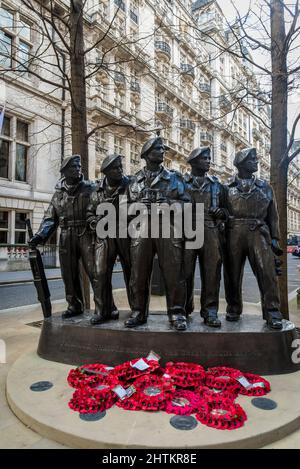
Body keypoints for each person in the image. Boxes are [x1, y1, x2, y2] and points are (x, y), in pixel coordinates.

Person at [125, 136, 189, 331]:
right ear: (146, 154)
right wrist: (136, 207)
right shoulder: (134, 181)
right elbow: (124, 209)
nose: (163, 152)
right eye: (158, 149)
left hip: (167, 228)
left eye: (162, 149)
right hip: (141, 229)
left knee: (173, 272)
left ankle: (176, 312)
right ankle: (138, 311)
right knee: (138, 272)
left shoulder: (175, 178)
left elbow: (187, 204)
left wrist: (167, 204)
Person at [28, 155, 97, 319]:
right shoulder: (58, 194)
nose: (78, 169)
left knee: (95, 271)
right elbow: (50, 218)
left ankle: (104, 306)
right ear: (65, 171)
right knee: (69, 273)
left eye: (79, 166)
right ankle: (74, 305)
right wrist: (39, 236)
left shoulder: (91, 188)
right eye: (74, 166)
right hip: (66, 235)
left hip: (86, 233)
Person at [224, 147, 283, 329]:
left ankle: (272, 311)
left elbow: (273, 216)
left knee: (267, 273)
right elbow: (221, 212)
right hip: (234, 232)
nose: (257, 162)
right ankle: (233, 308)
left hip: (258, 231)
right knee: (232, 273)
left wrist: (274, 238)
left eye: (256, 159)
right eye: (253, 159)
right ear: (241, 163)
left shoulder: (265, 187)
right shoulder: (226, 188)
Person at [184, 146, 228, 327]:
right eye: (205, 158)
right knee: (184, 272)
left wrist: (221, 212)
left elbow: (228, 211)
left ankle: (210, 312)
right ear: (193, 162)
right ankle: (184, 310)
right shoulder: (181, 183)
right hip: (187, 229)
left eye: (209, 158)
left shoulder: (217, 184)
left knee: (212, 273)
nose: (209, 161)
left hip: (211, 229)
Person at [86, 154, 132, 324]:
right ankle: (102, 310)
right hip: (104, 237)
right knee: (100, 273)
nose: (120, 170)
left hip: (125, 235)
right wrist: (93, 222)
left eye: (121, 166)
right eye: (116, 168)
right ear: (106, 172)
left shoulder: (130, 186)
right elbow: (89, 212)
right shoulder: (97, 191)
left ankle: (137, 310)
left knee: (132, 273)